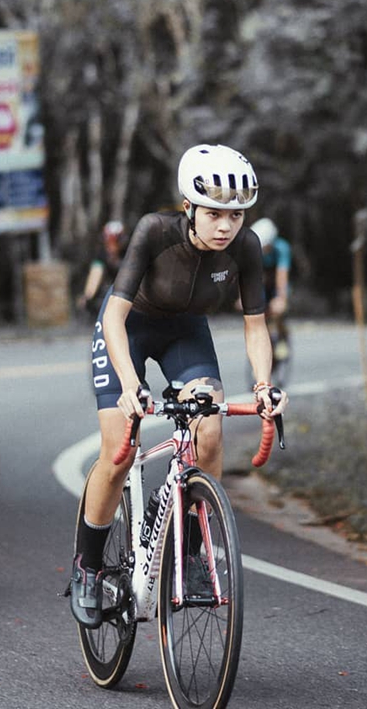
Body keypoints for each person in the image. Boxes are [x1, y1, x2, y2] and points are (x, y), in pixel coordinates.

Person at [70, 144, 289, 628]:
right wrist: (130, 384)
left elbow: (256, 327)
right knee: (117, 451)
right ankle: (87, 564)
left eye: (236, 215)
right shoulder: (154, 231)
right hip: (128, 327)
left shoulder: (246, 247)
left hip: (186, 332)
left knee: (209, 431)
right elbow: (114, 316)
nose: (226, 225)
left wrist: (262, 386)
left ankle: (188, 554)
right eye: (214, 213)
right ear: (189, 207)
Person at [249, 217, 292, 378]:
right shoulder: (252, 249)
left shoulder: (282, 248)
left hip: (278, 284)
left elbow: (282, 275)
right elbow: (248, 276)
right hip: (262, 283)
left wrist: (281, 298)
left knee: (279, 310)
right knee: (259, 316)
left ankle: (281, 338)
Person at [76, 221, 128, 316]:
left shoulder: (127, 254)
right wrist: (88, 295)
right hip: (107, 292)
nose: (111, 245)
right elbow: (95, 274)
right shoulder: (102, 255)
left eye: (115, 241)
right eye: (109, 240)